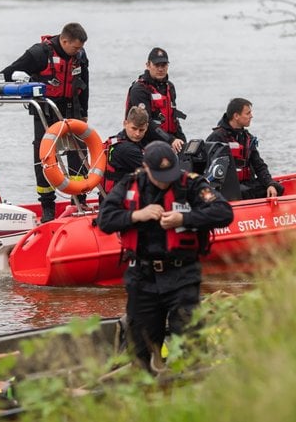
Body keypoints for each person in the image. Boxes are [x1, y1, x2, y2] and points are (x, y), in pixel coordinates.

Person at [98, 141, 233, 372]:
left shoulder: (190, 183)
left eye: (168, 174)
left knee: (191, 341)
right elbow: (105, 220)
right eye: (159, 175)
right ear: (146, 168)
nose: (165, 180)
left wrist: (185, 219)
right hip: (142, 276)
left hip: (181, 274)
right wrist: (136, 215)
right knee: (141, 348)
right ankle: (147, 390)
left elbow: (223, 212)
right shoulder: (130, 184)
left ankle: (191, 386)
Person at [0, 22, 90, 222]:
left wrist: (85, 112)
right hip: (45, 110)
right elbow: (11, 71)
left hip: (72, 109)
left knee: (78, 154)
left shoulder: (80, 57)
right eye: (75, 47)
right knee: (44, 156)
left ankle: (79, 199)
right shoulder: (39, 53)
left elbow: (85, 84)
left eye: (80, 48)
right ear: (64, 41)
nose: (78, 51)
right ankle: (47, 207)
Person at [206, 97, 284, 200]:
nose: (251, 116)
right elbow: (207, 169)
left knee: (278, 188)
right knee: (242, 192)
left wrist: (270, 184)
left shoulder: (248, 138)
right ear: (236, 116)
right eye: (248, 113)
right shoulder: (217, 137)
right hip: (226, 188)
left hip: (247, 184)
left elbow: (259, 166)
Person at [126, 47, 186, 152]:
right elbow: (145, 122)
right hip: (145, 143)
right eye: (157, 65)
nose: (160, 69)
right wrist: (171, 140)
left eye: (163, 65)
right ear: (148, 65)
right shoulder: (139, 89)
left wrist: (182, 142)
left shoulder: (169, 87)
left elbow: (174, 118)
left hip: (167, 141)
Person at [102, 106, 150, 195]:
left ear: (146, 127)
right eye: (134, 128)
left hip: (114, 196)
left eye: (141, 130)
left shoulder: (120, 139)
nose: (137, 134)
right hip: (118, 202)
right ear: (125, 124)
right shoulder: (126, 149)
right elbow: (153, 172)